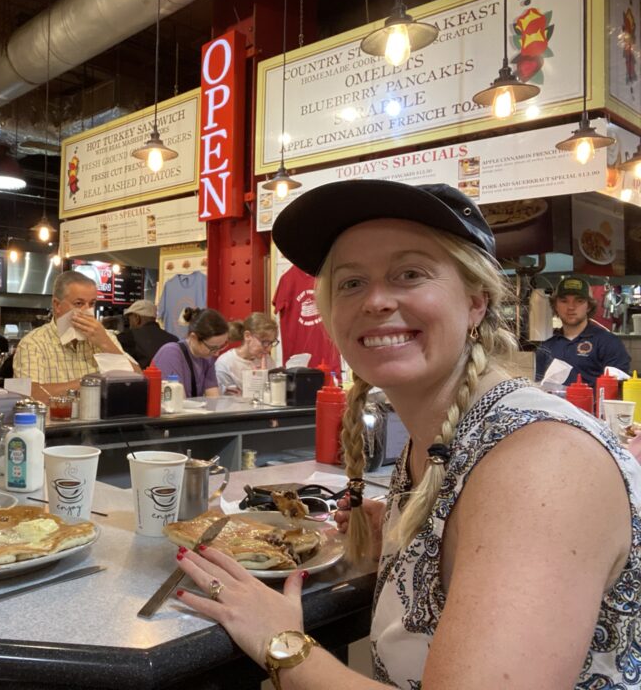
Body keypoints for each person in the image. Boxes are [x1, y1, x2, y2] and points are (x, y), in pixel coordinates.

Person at [174, 180, 641, 688]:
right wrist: (410, 546)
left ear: (477, 301)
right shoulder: (440, 439)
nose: (375, 300)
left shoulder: (544, 463)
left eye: (410, 273)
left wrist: (281, 645)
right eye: (350, 283)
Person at [13, 270, 137, 397]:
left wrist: (105, 343)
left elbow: (138, 381)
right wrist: (92, 382)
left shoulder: (104, 337)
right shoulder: (32, 343)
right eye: (79, 303)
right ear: (57, 305)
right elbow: (29, 394)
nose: (87, 311)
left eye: (92, 304)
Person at [535, 275, 630, 386]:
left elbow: (618, 388)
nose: (571, 307)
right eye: (564, 301)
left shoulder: (608, 343)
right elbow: (539, 386)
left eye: (579, 301)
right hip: (554, 403)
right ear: (555, 306)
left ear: (588, 306)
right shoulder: (546, 346)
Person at [150, 308, 229, 398]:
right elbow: (177, 401)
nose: (216, 353)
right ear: (193, 337)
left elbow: (213, 398)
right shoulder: (171, 353)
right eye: (212, 348)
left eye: (221, 346)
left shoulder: (207, 357)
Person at [214, 312, 279, 395]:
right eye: (265, 342)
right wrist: (258, 380)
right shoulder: (225, 363)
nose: (269, 348)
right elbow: (224, 401)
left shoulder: (268, 360)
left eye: (271, 343)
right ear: (247, 336)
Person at [117, 299, 177, 368]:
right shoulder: (174, 340)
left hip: (144, 378)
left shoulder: (128, 337)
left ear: (137, 318)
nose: (130, 325)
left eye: (130, 320)